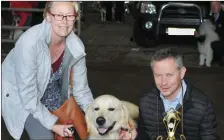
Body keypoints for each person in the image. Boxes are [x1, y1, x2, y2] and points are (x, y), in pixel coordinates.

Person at [2, 2, 94, 140]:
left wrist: (98, 115)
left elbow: (81, 90)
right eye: (59, 15)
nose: (64, 21)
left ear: (75, 18)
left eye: (70, 16)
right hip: (21, 96)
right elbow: (27, 95)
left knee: (87, 130)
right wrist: (53, 124)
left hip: (50, 90)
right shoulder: (29, 42)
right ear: (47, 16)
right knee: (44, 136)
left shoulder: (76, 47)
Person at [134, 48, 219, 139]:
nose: (163, 82)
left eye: (169, 75)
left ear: (182, 73)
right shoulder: (145, 102)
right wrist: (134, 136)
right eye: (158, 75)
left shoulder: (203, 106)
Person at [195, 1, 224, 66]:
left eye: (215, 5)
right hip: (213, 37)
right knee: (200, 38)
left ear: (220, 6)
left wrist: (215, 28)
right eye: (212, 5)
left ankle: (219, 59)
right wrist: (198, 33)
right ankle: (208, 57)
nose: (213, 7)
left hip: (221, 40)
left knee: (212, 44)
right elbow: (204, 26)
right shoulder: (210, 16)